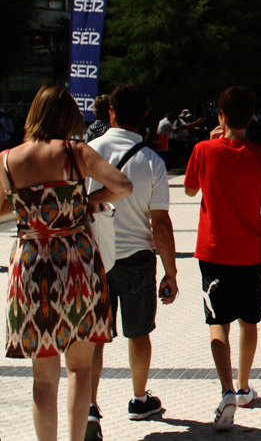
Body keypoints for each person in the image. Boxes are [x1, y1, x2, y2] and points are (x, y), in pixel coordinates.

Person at [10, 87, 133, 441]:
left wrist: (34, 208)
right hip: (76, 264)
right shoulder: (74, 152)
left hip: (31, 265)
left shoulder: (8, 159)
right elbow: (122, 185)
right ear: (65, 118)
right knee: (79, 368)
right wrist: (86, 199)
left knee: (43, 377)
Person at [185, 91, 261, 432]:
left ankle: (226, 390)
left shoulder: (203, 151)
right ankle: (243, 387)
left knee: (217, 321)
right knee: (249, 320)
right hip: (252, 253)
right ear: (252, 116)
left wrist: (210, 143)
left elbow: (189, 190)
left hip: (212, 252)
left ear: (221, 115)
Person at [85, 92, 172, 424]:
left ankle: (89, 405)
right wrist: (171, 272)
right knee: (138, 332)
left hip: (94, 257)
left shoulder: (88, 152)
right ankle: (139, 399)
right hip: (137, 257)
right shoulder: (153, 161)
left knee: (94, 334)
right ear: (146, 114)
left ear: (111, 112)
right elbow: (160, 224)